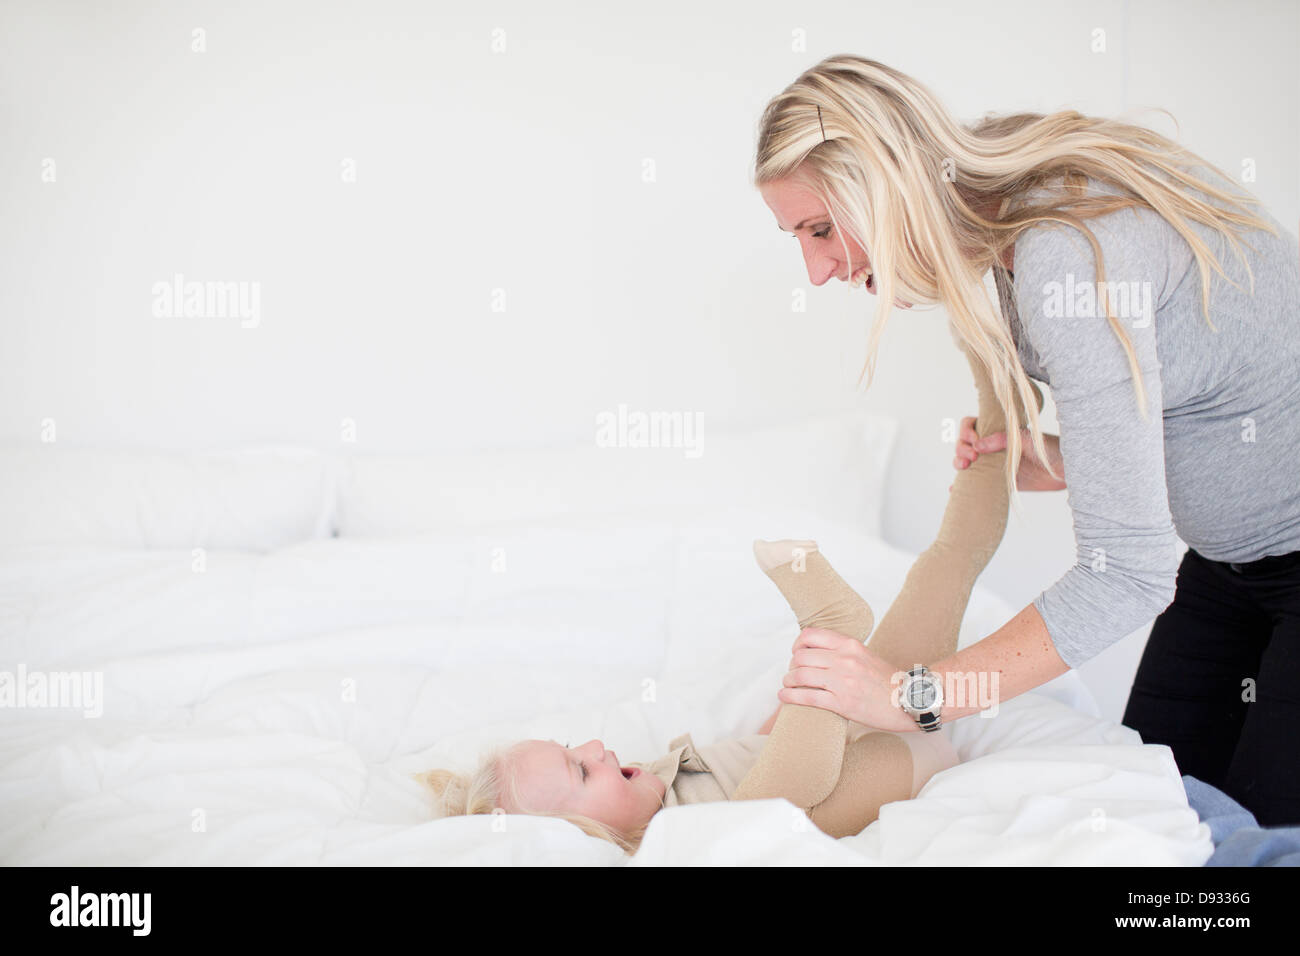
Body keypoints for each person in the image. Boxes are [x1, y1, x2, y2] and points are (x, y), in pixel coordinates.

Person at [758, 55, 1300, 825]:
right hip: (1227, 568)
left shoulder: (1065, 252)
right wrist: (1074, 454)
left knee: (1258, 854)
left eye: (819, 229)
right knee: (1162, 827)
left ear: (887, 186)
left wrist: (915, 698)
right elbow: (1225, 369)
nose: (815, 271)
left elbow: (1126, 574)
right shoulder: (1003, 189)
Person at [420, 340, 1041, 854]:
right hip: (886, 769)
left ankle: (1003, 406)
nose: (594, 748)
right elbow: (785, 778)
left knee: (943, 566)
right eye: (580, 771)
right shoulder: (670, 843)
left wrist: (807, 691)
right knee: (764, 815)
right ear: (585, 838)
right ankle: (831, 627)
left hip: (893, 714)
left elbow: (770, 739)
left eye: (572, 748)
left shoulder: (663, 773)